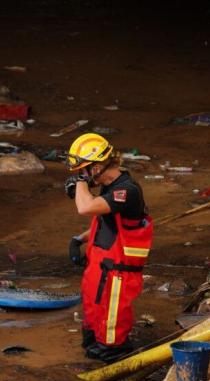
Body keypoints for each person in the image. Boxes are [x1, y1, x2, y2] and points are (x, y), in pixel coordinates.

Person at [65, 133, 153, 363]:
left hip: (118, 272)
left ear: (99, 166)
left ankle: (119, 359)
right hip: (102, 265)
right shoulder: (109, 186)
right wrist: (79, 239)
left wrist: (79, 185)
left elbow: (86, 208)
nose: (81, 175)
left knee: (112, 330)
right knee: (93, 322)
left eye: (84, 170)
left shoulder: (127, 191)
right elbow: (107, 221)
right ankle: (100, 345)